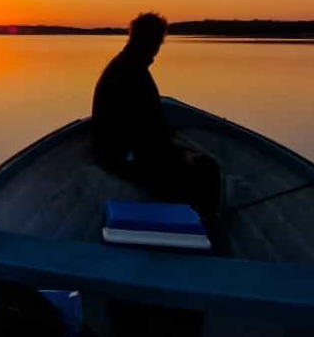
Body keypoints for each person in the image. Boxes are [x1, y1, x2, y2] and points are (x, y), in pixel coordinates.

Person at [91, 12, 221, 220]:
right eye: (158, 42)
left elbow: (147, 125)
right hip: (122, 155)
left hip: (119, 148)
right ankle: (206, 224)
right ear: (151, 41)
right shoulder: (132, 74)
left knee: (193, 161)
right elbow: (145, 134)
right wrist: (179, 155)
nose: (157, 49)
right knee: (207, 169)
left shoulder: (125, 65)